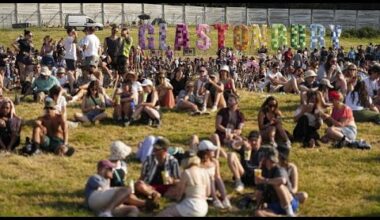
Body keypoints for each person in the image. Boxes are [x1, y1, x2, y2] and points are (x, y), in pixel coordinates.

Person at [157, 152, 211, 217]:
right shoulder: (205, 172)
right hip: (204, 207)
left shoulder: (186, 172)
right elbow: (208, 192)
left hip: (191, 206)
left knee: (165, 213)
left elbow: (179, 194)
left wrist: (171, 199)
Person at [254, 147, 299, 217]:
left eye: (274, 161)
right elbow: (259, 190)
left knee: (277, 184)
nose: (272, 163)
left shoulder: (279, 169)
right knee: (258, 213)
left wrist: (264, 180)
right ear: (265, 159)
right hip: (274, 203)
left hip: (288, 201)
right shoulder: (262, 170)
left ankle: (290, 212)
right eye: (270, 161)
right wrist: (259, 204)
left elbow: (282, 180)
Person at [135, 137, 180, 201]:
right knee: (139, 184)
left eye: (157, 150)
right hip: (150, 186)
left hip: (166, 187)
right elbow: (142, 176)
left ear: (165, 150)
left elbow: (178, 180)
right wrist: (139, 183)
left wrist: (172, 180)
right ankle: (154, 194)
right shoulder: (149, 159)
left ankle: (153, 195)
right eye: (154, 148)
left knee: (178, 187)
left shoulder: (173, 161)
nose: (154, 151)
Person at [197, 140, 232, 209]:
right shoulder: (198, 163)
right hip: (203, 187)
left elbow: (218, 176)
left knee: (217, 178)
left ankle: (225, 198)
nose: (214, 151)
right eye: (211, 150)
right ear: (206, 152)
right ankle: (215, 199)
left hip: (213, 185)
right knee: (211, 178)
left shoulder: (215, 162)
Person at [63, 27, 78, 94]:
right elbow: (76, 41)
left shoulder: (68, 38)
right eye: (73, 32)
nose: (74, 33)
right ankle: (73, 87)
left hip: (71, 57)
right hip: (70, 57)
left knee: (72, 72)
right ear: (69, 32)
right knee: (71, 72)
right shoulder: (69, 38)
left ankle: (72, 86)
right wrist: (76, 35)